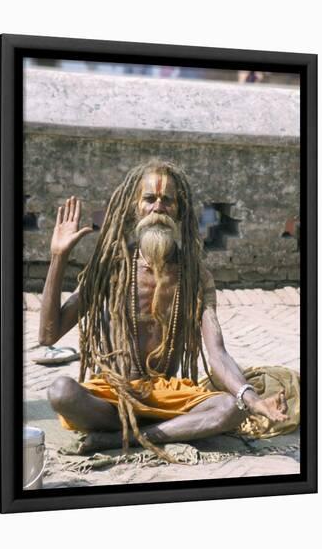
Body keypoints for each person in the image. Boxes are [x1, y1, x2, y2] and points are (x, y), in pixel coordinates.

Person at [39, 159, 289, 459]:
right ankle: (161, 431)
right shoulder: (109, 269)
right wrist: (58, 258)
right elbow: (48, 336)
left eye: (167, 200)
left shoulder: (196, 277)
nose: (158, 207)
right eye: (149, 199)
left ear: (179, 211)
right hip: (114, 395)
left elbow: (218, 355)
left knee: (232, 408)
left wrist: (252, 398)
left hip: (169, 397)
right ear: (136, 208)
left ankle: (119, 440)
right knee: (62, 392)